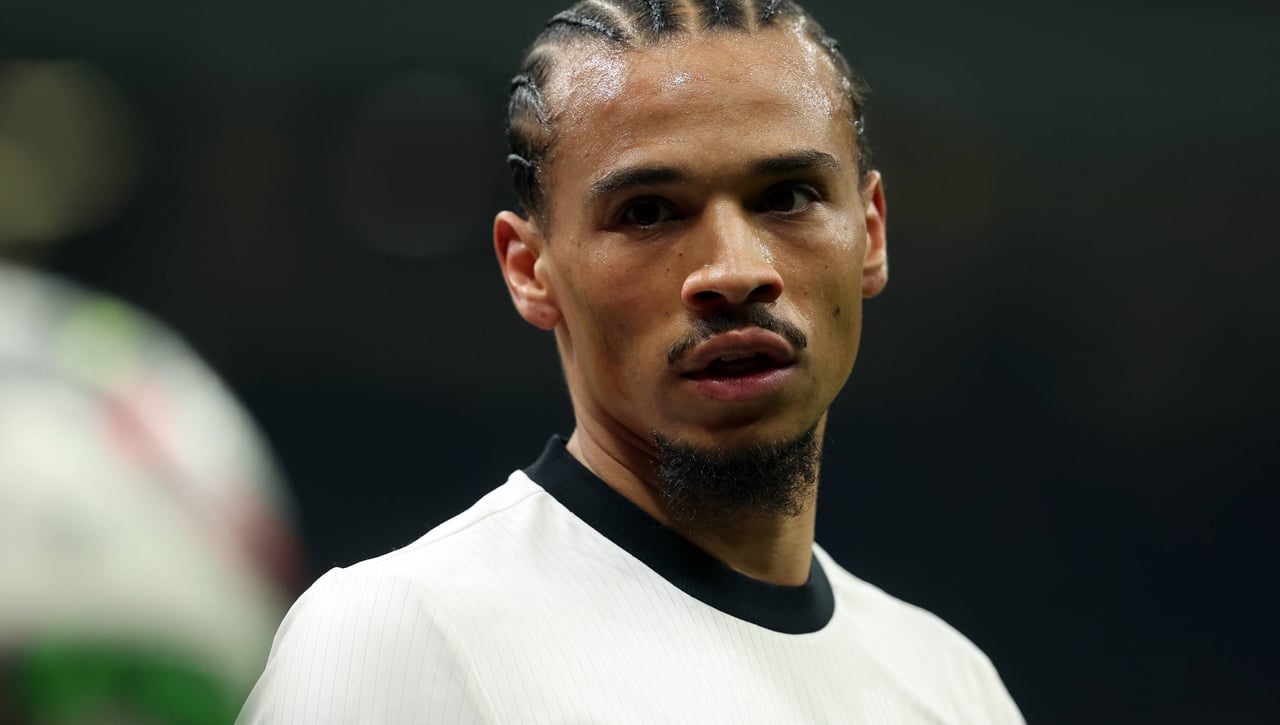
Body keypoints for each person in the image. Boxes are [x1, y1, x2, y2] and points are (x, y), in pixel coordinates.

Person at [240, 1, 1023, 722]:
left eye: (788, 196)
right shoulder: (404, 632)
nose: (734, 271)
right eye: (647, 211)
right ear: (529, 268)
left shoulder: (953, 686)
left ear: (872, 232)